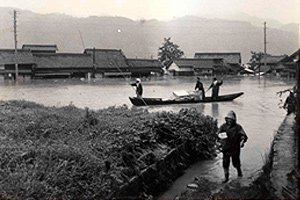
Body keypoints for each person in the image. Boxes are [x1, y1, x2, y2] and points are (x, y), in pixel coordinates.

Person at [217, 110, 248, 183]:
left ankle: (239, 172)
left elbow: (243, 135)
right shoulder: (223, 126)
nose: (229, 121)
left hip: (235, 148)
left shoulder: (238, 127)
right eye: (228, 119)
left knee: (236, 162)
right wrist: (218, 143)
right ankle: (226, 177)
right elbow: (218, 134)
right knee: (225, 162)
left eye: (231, 120)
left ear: (234, 120)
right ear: (226, 119)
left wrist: (242, 141)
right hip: (226, 148)